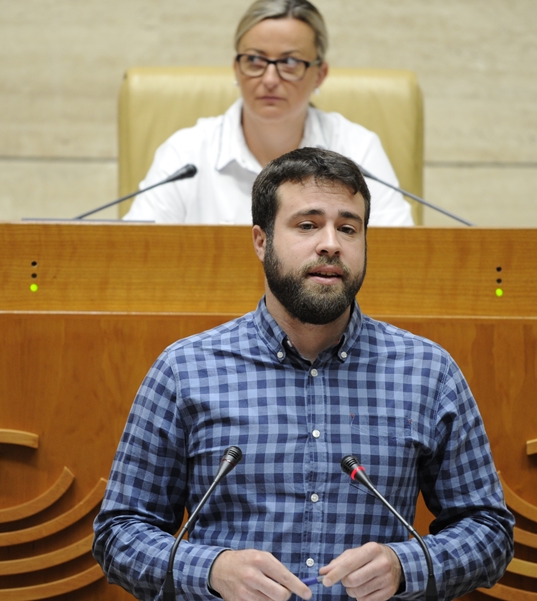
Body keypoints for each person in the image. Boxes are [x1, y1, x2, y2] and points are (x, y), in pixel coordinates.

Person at [93, 148, 513, 601]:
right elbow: (119, 533)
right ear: (261, 240)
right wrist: (212, 569)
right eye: (307, 225)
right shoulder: (185, 370)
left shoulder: (428, 373)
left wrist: (404, 565)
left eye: (348, 228)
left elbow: (489, 530)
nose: (331, 242)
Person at [122, 0, 414, 226]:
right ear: (236, 68)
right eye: (254, 60)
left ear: (320, 75)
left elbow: (397, 255)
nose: (270, 79)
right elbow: (137, 251)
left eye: (289, 62)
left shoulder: (357, 151)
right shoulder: (186, 154)